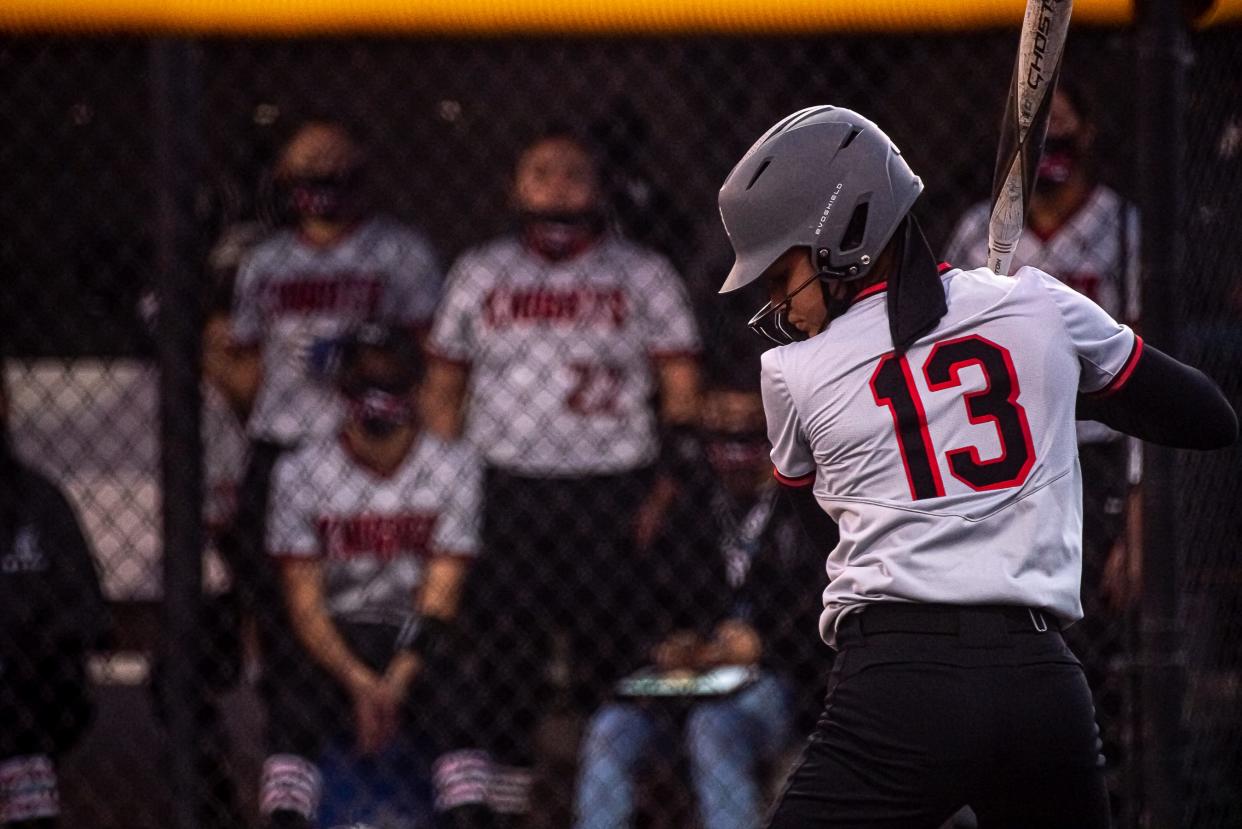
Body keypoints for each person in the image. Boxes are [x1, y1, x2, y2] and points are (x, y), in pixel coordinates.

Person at [714, 105, 1237, 827]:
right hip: (1043, 687)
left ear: (846, 234)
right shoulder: (1040, 301)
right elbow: (1209, 417)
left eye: (780, 275)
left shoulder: (789, 373)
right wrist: (1069, 378)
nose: (777, 304)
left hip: (896, 687)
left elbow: (822, 535)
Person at [421, 127, 702, 827]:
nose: (557, 186)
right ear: (514, 187)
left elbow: (680, 384)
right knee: (506, 659)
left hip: (611, 483)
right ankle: (510, 810)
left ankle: (620, 804)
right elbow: (443, 385)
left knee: (613, 656)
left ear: (602, 187)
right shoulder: (481, 272)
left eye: (575, 172)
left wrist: (667, 480)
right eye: (541, 171)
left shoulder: (642, 273)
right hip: (508, 483)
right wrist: (441, 481)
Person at [943, 85, 1140, 798]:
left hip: (1096, 451)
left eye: (1063, 126)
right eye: (1036, 129)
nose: (1050, 143)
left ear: (1089, 133)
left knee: (1093, 625)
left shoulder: (1124, 226)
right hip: (1004, 462)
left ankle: (1101, 780)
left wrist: (1143, 508)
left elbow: (1147, 368)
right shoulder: (979, 231)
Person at [574, 367, 832, 829]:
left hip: (780, 688)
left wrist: (765, 645)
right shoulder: (689, 505)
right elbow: (642, 603)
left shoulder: (808, 506)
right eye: (722, 435)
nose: (735, 452)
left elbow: (825, 616)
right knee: (610, 731)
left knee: (713, 727)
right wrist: (667, 645)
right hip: (689, 686)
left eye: (749, 434)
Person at [260, 325, 481, 829]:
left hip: (415, 633)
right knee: (292, 692)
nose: (378, 393)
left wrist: (397, 680)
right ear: (342, 388)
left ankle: (469, 813)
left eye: (392, 379)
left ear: (416, 387)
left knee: (457, 689)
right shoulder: (301, 470)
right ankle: (286, 817)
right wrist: (360, 683)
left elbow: (440, 597)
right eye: (364, 379)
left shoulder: (454, 465)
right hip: (335, 635)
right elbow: (304, 603)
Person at [0, 375, 110, 828]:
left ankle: (31, 815)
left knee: (19, 708)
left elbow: (89, 616)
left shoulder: (39, 502)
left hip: (29, 690)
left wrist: (26, 641)